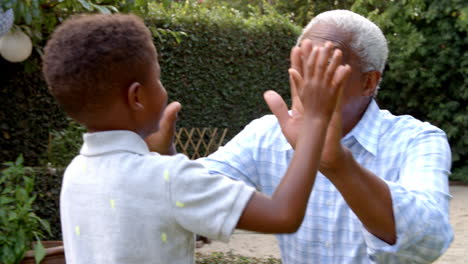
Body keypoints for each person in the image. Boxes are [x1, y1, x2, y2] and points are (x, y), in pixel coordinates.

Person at [42, 13, 352, 263]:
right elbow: (283, 215)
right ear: (136, 96)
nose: (163, 90)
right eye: (158, 79)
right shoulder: (168, 180)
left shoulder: (76, 173)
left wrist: (165, 153)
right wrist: (315, 120)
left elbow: (150, 214)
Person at [195, 10, 453, 263]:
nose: (309, 80)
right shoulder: (267, 134)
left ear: (368, 82)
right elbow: (191, 193)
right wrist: (163, 163)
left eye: (325, 67)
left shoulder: (417, 139)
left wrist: (338, 164)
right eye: (303, 64)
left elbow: (429, 242)